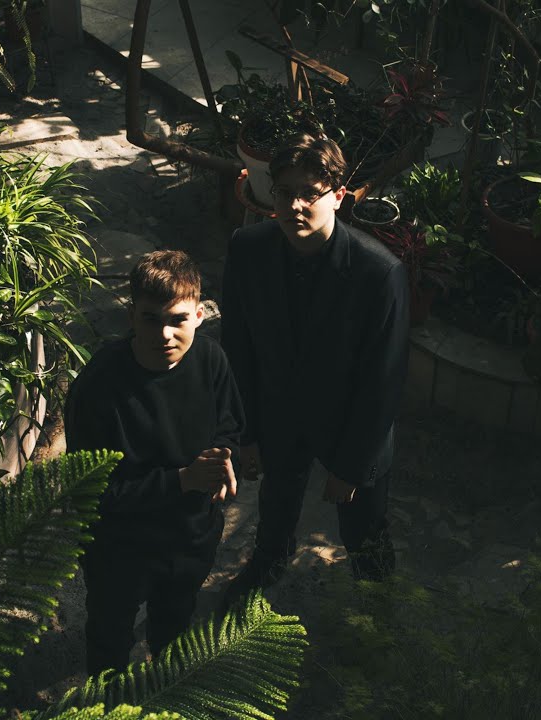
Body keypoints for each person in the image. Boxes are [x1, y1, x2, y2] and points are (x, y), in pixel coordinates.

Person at [221, 133, 409, 601]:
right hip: (278, 415)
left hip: (350, 425)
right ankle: (268, 561)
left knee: (366, 529)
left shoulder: (379, 273)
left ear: (338, 196)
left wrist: (352, 466)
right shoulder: (247, 248)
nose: (295, 206)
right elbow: (237, 347)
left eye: (310, 193)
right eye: (285, 192)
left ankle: (377, 601)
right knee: (276, 505)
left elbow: (382, 382)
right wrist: (246, 433)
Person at [64, 249, 245, 675]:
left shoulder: (211, 359)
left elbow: (230, 424)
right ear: (131, 316)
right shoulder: (99, 385)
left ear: (199, 315)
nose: (165, 334)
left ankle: (165, 689)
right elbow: (90, 491)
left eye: (178, 320)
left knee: (174, 629)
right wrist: (182, 480)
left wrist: (224, 457)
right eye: (151, 319)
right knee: (110, 640)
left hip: (190, 538)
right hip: (119, 550)